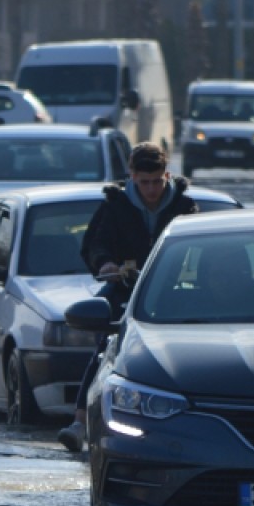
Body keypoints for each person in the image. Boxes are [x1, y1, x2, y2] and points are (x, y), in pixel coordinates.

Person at [57, 142, 198, 453]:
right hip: (125, 289)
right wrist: (105, 263)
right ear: (132, 177)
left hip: (177, 293)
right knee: (104, 347)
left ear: (167, 175)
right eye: (143, 182)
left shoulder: (185, 208)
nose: (150, 190)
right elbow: (94, 244)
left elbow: (204, 253)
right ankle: (80, 423)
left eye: (157, 182)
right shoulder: (115, 206)